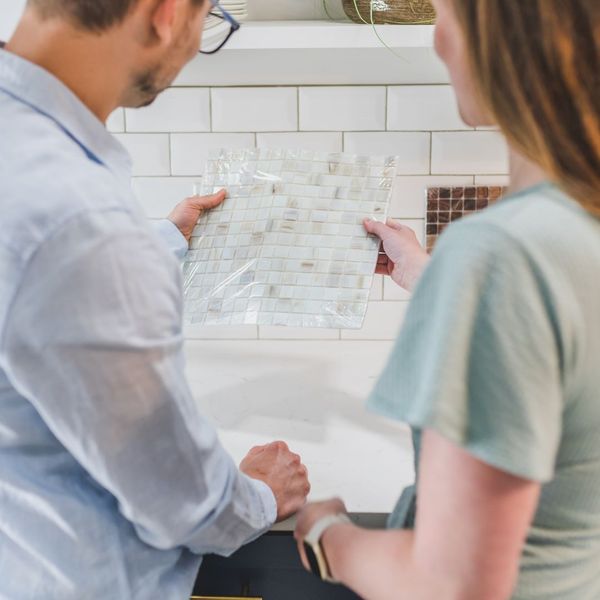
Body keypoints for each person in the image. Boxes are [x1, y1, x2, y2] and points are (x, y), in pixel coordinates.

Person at [0, 1, 310, 598]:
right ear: (165, 13)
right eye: (209, 16)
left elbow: (32, 291)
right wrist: (261, 494)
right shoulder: (79, 219)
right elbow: (183, 504)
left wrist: (159, 241)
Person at [295, 0, 600, 598]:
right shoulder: (572, 226)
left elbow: (448, 585)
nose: (437, 40)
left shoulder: (500, 254)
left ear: (507, 35)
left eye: (449, 13)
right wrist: (437, 280)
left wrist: (324, 534)